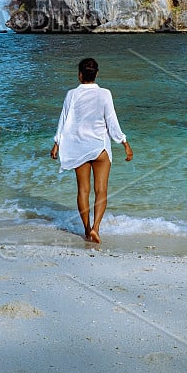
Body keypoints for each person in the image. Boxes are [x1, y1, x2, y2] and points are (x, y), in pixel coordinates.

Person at [51, 57, 133, 243]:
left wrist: (57, 143)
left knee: (83, 190)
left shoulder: (71, 94)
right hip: (100, 148)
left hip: (79, 148)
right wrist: (124, 143)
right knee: (101, 190)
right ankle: (96, 228)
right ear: (96, 74)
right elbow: (112, 121)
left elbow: (63, 120)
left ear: (80, 75)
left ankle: (87, 229)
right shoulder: (105, 93)